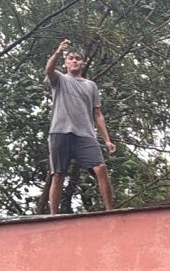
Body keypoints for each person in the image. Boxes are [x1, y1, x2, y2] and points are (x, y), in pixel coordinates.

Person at [45, 39, 116, 214]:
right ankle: (53, 215)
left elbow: (97, 113)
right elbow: (49, 70)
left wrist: (107, 140)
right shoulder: (60, 79)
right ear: (66, 63)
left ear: (83, 63)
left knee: (100, 168)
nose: (74, 61)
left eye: (78, 58)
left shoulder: (91, 86)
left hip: (85, 134)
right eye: (71, 58)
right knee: (58, 174)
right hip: (60, 132)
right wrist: (58, 51)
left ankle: (110, 211)